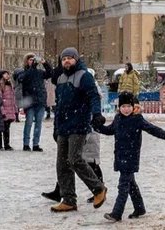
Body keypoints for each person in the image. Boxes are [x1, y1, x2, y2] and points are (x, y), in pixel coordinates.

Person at [95, 91, 165, 222]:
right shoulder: (118, 119)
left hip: (131, 157)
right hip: (120, 156)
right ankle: (139, 208)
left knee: (123, 186)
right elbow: (109, 130)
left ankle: (116, 213)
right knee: (131, 184)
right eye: (123, 107)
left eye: (128, 106)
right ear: (119, 108)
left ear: (133, 107)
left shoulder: (137, 119)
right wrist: (97, 126)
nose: (126, 109)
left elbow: (152, 129)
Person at [50, 47, 108, 213]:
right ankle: (68, 199)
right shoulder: (60, 79)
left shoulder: (84, 76)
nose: (66, 61)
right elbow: (59, 105)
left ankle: (98, 188)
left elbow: (93, 96)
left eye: (70, 58)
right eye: (64, 59)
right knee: (62, 164)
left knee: (74, 159)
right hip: (63, 126)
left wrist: (96, 113)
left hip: (79, 124)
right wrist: (56, 126)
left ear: (76, 59)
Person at [15, 54, 49, 149]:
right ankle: (26, 144)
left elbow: (50, 73)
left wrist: (45, 63)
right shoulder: (23, 72)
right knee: (29, 123)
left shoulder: (39, 72)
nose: (32, 61)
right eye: (30, 60)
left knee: (38, 123)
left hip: (40, 100)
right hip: (29, 102)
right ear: (26, 61)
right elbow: (23, 78)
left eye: (33, 60)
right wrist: (32, 68)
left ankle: (35, 144)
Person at [0, 70, 18, 150]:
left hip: (10, 110)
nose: (7, 75)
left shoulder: (10, 84)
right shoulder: (0, 85)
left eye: (8, 74)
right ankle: (0, 145)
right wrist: (2, 110)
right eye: (5, 74)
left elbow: (13, 99)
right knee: (1, 128)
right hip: (4, 110)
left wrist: (15, 110)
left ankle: (7, 144)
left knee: (7, 128)